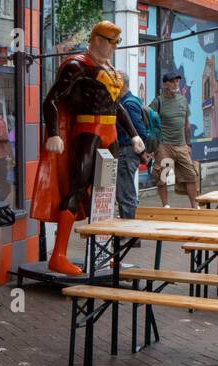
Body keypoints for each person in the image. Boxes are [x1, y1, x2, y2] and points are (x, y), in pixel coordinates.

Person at [30, 21, 145, 275]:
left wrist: (134, 134)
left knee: (104, 195)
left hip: (110, 135)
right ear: (94, 39)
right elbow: (52, 99)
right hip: (88, 134)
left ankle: (101, 255)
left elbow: (117, 107)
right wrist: (54, 133)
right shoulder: (77, 65)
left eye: (115, 42)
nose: (111, 46)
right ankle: (58, 255)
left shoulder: (110, 69)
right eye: (107, 40)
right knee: (77, 188)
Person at [149, 70, 199, 208]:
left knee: (191, 175)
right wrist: (153, 144)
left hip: (181, 145)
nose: (176, 83)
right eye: (173, 81)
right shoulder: (158, 101)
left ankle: (195, 206)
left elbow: (186, 124)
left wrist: (188, 144)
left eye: (177, 81)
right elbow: (149, 120)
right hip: (164, 146)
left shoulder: (183, 100)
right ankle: (166, 205)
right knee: (162, 176)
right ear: (166, 84)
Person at [115, 75, 149, 219]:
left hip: (126, 151)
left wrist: (140, 150)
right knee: (125, 192)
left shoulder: (127, 104)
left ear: (120, 84)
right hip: (127, 151)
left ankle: (131, 235)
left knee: (126, 194)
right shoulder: (130, 101)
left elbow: (140, 131)